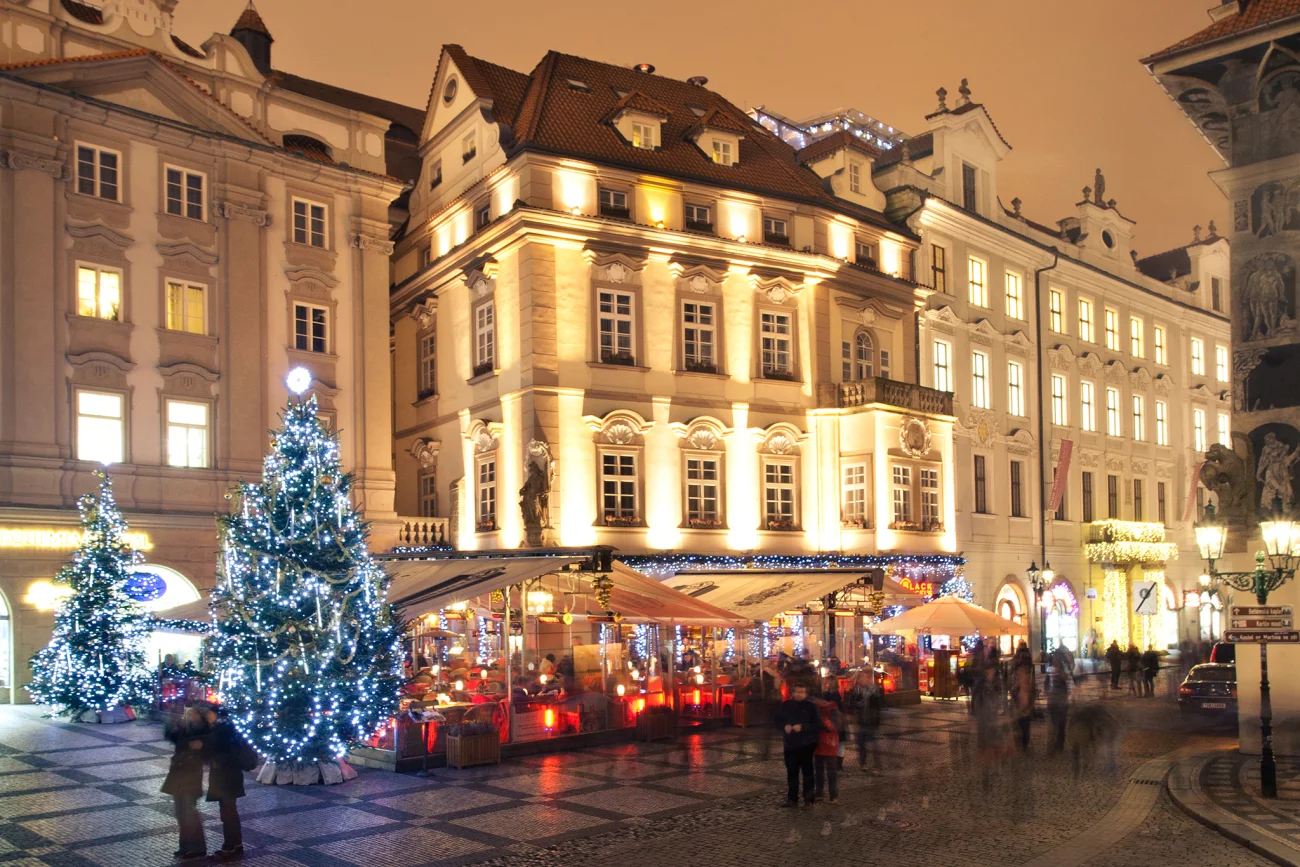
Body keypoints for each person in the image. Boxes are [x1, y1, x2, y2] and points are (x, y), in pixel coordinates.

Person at [162, 705, 210, 861]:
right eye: (187, 713)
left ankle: (197, 848)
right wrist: (172, 723)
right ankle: (185, 846)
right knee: (181, 813)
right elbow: (171, 736)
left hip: (191, 777)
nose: (188, 716)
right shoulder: (184, 729)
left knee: (189, 813)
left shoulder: (200, 731)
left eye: (191, 713)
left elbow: (196, 743)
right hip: (178, 776)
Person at [201, 706, 247, 861]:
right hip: (227, 776)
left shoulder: (222, 730)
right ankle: (234, 844)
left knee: (228, 813)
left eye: (208, 714)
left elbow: (219, 751)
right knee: (228, 812)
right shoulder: (224, 728)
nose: (206, 716)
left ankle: (231, 846)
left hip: (226, 777)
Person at [777, 683, 821, 807]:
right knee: (791, 773)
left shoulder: (811, 707)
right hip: (790, 744)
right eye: (797, 692)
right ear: (793, 693)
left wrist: (803, 727)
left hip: (806, 744)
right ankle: (792, 798)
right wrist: (783, 727)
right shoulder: (786, 706)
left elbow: (817, 725)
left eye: (801, 692)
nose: (799, 694)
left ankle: (808, 798)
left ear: (806, 693)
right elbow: (777, 720)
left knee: (807, 773)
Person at [845, 670, 883, 774]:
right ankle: (863, 763)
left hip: (871, 721)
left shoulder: (874, 691)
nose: (862, 680)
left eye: (864, 677)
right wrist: (853, 712)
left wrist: (877, 717)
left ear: (868, 679)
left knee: (874, 745)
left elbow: (879, 706)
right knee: (861, 744)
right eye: (860, 678)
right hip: (860, 721)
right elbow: (850, 705)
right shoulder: (855, 691)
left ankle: (877, 765)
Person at [812, 692, 841, 804]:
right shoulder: (817, 708)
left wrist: (823, 720)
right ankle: (822, 794)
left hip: (828, 744)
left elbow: (833, 727)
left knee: (830, 772)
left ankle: (832, 795)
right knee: (821, 771)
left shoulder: (831, 709)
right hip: (822, 744)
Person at [1010, 641, 1034, 752]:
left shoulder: (1017, 658)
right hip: (1024, 694)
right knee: (1025, 721)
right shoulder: (1028, 656)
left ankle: (1021, 741)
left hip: (1021, 694)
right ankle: (1024, 742)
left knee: (1020, 719)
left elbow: (1013, 670)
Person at [1047, 647, 1072, 753]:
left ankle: (1057, 744)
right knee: (1059, 723)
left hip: (1056, 699)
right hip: (1058, 700)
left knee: (1057, 724)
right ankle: (1057, 744)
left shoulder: (1053, 668)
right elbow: (1066, 678)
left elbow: (1048, 683)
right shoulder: (1058, 668)